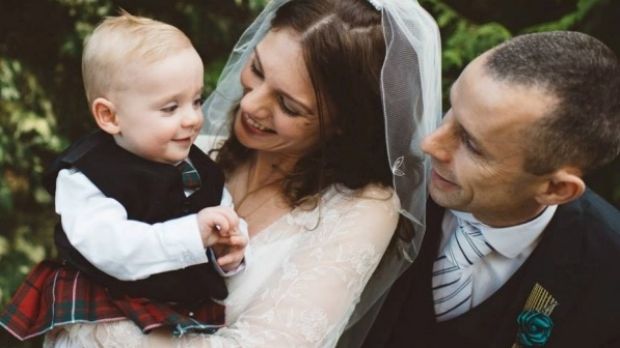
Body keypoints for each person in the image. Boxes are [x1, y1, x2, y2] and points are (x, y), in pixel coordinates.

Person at [38, 0, 442, 347]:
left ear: (344, 122)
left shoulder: (363, 206)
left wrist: (98, 331)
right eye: (258, 70)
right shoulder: (196, 152)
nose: (251, 106)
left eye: (288, 105)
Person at [0, 12, 248, 341]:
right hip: (100, 316)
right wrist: (193, 234)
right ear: (109, 116)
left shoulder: (199, 167)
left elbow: (220, 216)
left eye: (197, 101)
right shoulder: (86, 176)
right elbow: (117, 250)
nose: (192, 119)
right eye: (170, 108)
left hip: (174, 310)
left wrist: (229, 249)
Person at [364, 31, 620, 347]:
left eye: (471, 144)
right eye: (451, 109)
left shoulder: (609, 275)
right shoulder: (383, 177)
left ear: (556, 189)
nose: (430, 144)